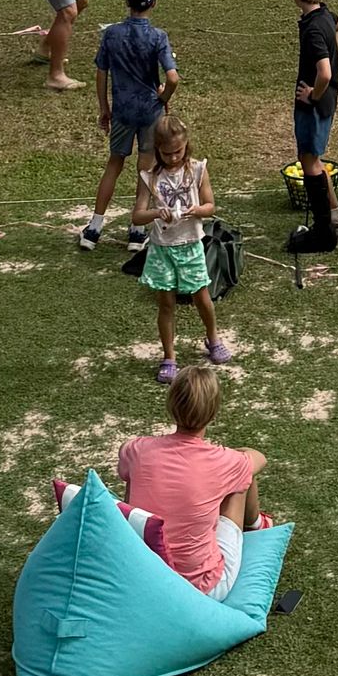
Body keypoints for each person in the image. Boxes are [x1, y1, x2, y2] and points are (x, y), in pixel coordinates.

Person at [117, 364, 271, 599]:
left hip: (147, 576)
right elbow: (259, 459)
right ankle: (258, 525)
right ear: (214, 413)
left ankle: (257, 523)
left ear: (171, 406)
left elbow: (126, 475)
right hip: (202, 588)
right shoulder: (225, 461)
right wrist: (236, 455)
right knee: (242, 474)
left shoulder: (136, 450)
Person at [78, 0, 179, 249]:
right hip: (149, 111)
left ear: (127, 2)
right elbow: (172, 78)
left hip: (122, 109)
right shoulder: (158, 37)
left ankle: (94, 228)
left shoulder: (112, 34)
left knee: (115, 163)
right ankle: (136, 230)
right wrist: (163, 99)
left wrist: (104, 107)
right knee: (145, 170)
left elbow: (102, 71)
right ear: (154, 3)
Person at [130, 114, 232, 379]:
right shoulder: (149, 177)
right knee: (166, 304)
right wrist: (155, 213)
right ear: (157, 150)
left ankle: (213, 338)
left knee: (202, 297)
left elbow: (211, 206)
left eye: (178, 151)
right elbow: (137, 216)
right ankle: (169, 356)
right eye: (167, 153)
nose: (174, 157)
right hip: (162, 248)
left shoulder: (197, 169)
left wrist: (199, 209)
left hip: (190, 245)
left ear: (187, 145)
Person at [288, 0, 338, 255]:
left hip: (314, 105)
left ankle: (324, 233)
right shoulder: (325, 15)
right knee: (313, 158)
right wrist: (332, 52)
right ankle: (334, 215)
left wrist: (313, 94)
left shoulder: (312, 29)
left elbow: (323, 73)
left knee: (310, 163)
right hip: (327, 101)